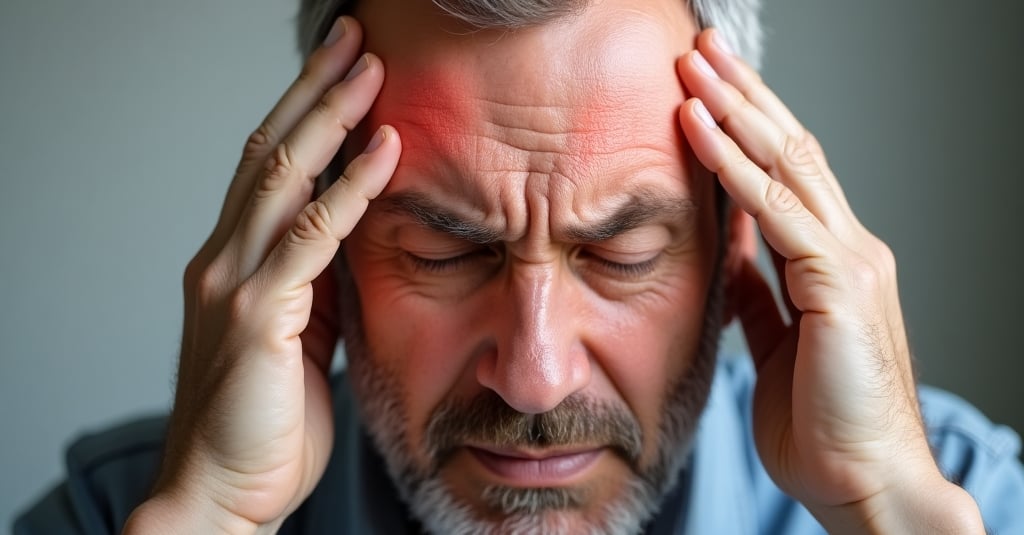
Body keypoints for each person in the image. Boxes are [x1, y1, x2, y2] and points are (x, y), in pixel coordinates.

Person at [15, 0, 1024, 533]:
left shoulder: (966, 499)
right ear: (317, 252)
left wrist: (891, 512)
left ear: (737, 246)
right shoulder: (122, 516)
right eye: (443, 251)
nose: (534, 374)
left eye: (621, 253)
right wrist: (215, 519)